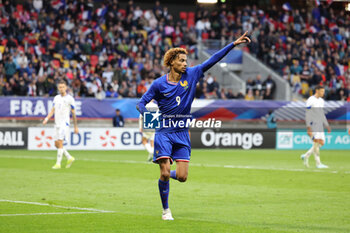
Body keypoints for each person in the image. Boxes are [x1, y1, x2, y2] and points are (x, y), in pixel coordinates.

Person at [136, 31, 251, 220]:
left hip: (182, 132)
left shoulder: (192, 73)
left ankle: (165, 175)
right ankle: (166, 210)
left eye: (186, 60)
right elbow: (141, 103)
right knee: (165, 172)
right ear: (172, 61)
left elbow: (213, 59)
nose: (185, 63)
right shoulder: (158, 84)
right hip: (164, 131)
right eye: (181, 60)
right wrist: (148, 115)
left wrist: (233, 44)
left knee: (182, 177)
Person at [43, 80, 78, 169]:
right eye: (60, 87)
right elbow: (53, 110)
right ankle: (69, 157)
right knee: (56, 144)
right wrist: (47, 118)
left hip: (64, 123)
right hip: (57, 123)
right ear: (58, 88)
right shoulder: (56, 98)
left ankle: (58, 164)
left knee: (60, 142)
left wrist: (75, 126)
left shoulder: (70, 99)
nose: (61, 89)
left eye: (63, 87)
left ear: (66, 87)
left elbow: (73, 113)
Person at [301, 85, 331, 169]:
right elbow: (307, 113)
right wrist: (308, 127)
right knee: (316, 142)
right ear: (317, 91)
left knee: (321, 142)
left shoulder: (321, 101)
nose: (323, 93)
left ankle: (306, 155)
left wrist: (327, 125)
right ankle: (318, 163)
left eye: (324, 92)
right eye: (322, 91)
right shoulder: (310, 100)